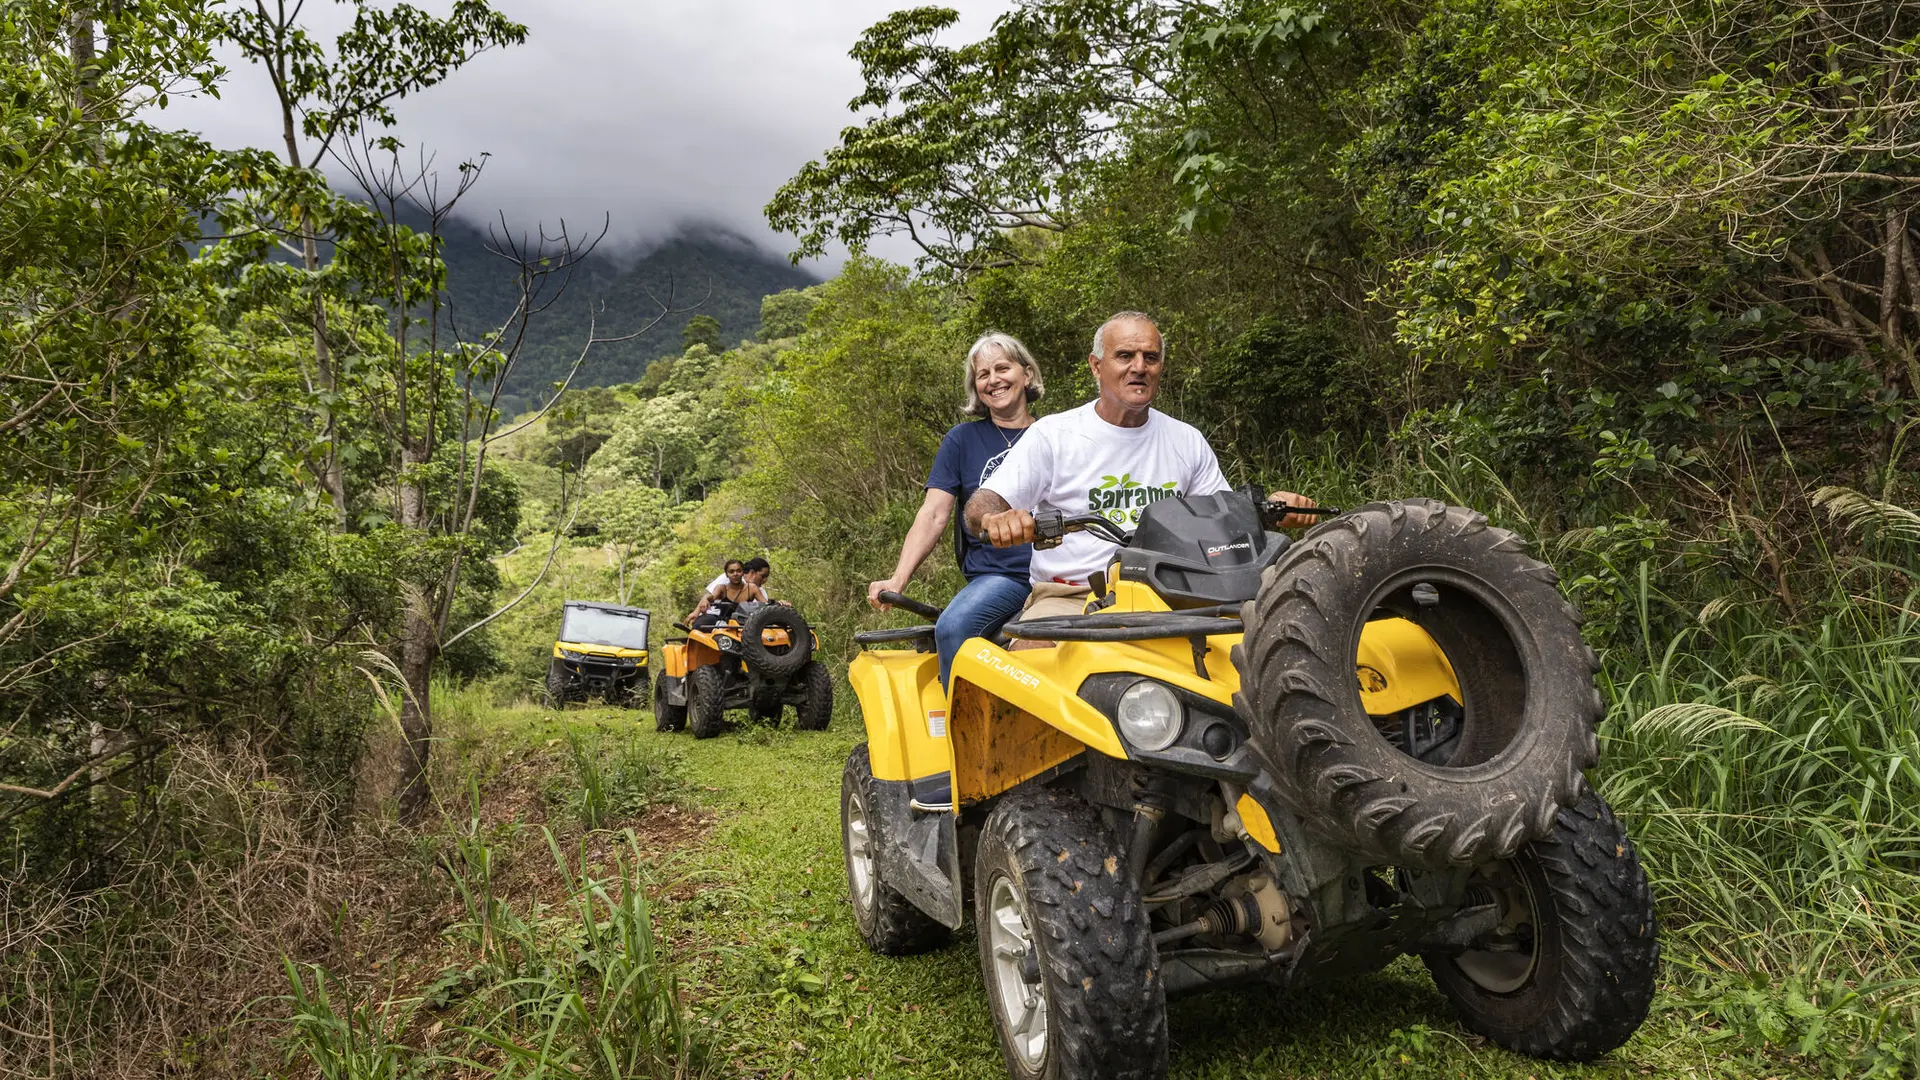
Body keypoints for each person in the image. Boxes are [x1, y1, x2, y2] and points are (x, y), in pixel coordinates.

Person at [966, 312, 1316, 625]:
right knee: (1034, 657)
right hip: (1072, 597)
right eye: (1125, 356)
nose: (1139, 366)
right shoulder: (1053, 435)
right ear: (1096, 365)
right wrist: (996, 519)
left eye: (1150, 357)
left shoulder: (1186, 439)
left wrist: (1271, 510)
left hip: (1176, 592)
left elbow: (1225, 519)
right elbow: (981, 504)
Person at [868, 331, 1045, 687]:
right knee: (952, 627)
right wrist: (898, 578)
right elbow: (934, 513)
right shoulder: (962, 440)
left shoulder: (1056, 434)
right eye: (983, 374)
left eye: (1003, 368)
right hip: (1004, 578)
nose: (994, 380)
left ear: (1026, 375)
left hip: (1059, 575)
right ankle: (961, 736)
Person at [688, 558, 766, 623]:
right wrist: (705, 599)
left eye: (739, 571)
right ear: (726, 574)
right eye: (731, 572)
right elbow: (711, 596)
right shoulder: (722, 588)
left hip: (745, 623)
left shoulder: (752, 588)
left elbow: (766, 605)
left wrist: (776, 606)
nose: (735, 574)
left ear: (743, 572)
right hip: (723, 622)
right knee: (700, 623)